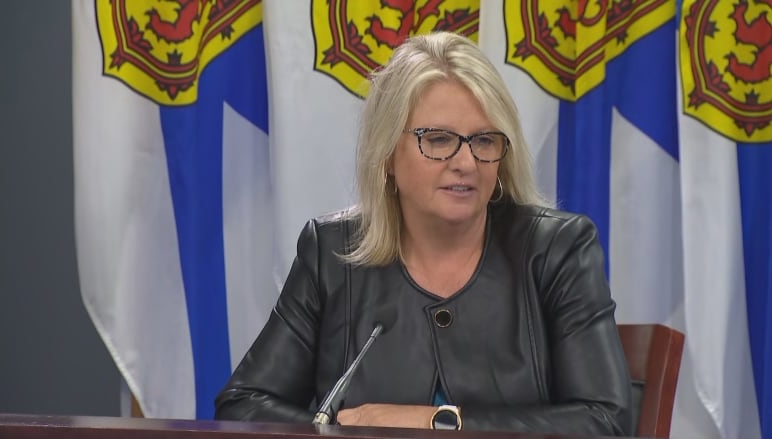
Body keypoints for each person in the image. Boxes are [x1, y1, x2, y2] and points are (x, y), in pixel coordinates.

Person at [215, 32, 631, 435]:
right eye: (438, 139)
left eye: (484, 140)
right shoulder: (332, 253)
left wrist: (432, 421)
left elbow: (605, 421)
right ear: (388, 154)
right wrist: (349, 431)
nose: (466, 162)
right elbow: (243, 406)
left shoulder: (557, 250)